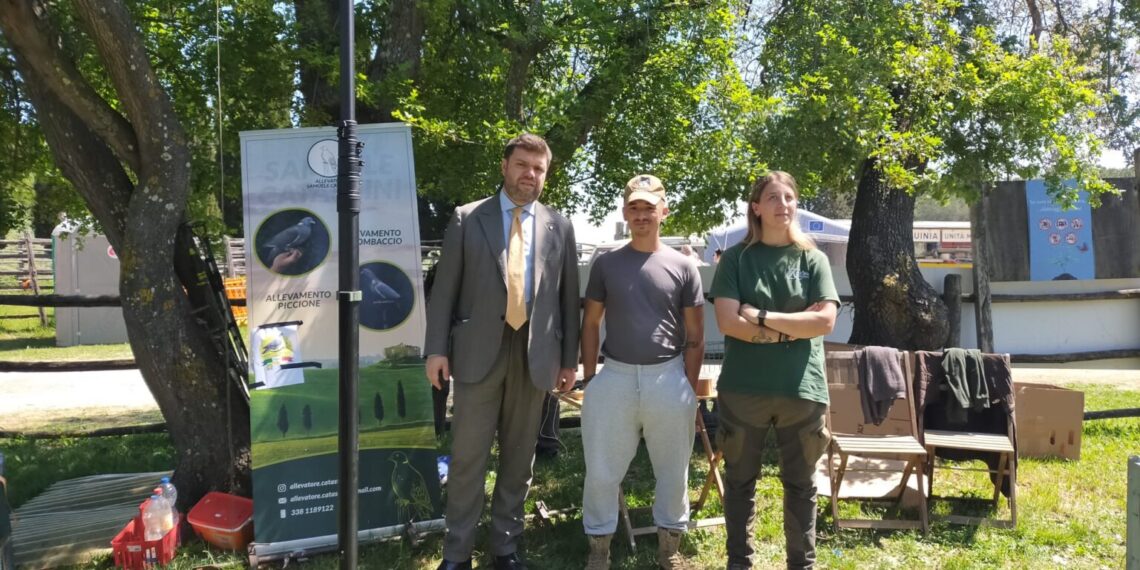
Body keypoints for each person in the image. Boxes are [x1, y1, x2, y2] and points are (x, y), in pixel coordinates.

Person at [424, 133, 580, 570]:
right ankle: (456, 555)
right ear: (504, 166)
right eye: (522, 165)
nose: (530, 175)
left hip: (536, 356)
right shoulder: (467, 218)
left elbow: (568, 299)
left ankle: (505, 550)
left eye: (539, 169)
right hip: (477, 354)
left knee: (518, 460)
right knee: (468, 459)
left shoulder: (559, 226)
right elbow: (444, 292)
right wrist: (436, 349)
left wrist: (568, 361)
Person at [709, 171, 839, 570]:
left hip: (802, 391)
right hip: (742, 391)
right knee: (739, 484)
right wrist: (793, 327)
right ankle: (739, 563)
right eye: (773, 198)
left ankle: (802, 564)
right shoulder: (735, 259)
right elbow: (729, 323)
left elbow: (825, 323)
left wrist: (763, 317)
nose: (783, 205)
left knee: (802, 487)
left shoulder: (813, 259)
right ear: (756, 207)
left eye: (789, 197)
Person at [580, 175, 705, 570]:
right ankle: (599, 551)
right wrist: (590, 378)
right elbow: (590, 324)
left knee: (673, 471)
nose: (641, 215)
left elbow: (696, 336)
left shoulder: (684, 266)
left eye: (649, 207)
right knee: (601, 471)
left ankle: (670, 550)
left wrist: (686, 384)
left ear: (664, 212)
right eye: (634, 207)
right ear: (624, 213)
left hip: (668, 378)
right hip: (614, 376)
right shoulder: (606, 264)